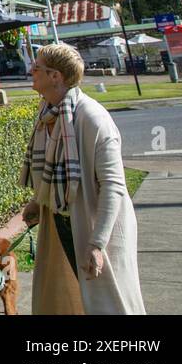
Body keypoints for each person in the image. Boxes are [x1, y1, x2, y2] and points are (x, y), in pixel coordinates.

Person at [21, 43, 145, 314]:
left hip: (99, 228)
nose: (31, 70)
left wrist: (98, 244)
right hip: (62, 222)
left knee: (110, 303)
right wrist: (37, 201)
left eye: (38, 67)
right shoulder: (48, 113)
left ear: (56, 76)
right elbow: (53, 174)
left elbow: (114, 187)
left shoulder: (92, 117)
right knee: (66, 297)